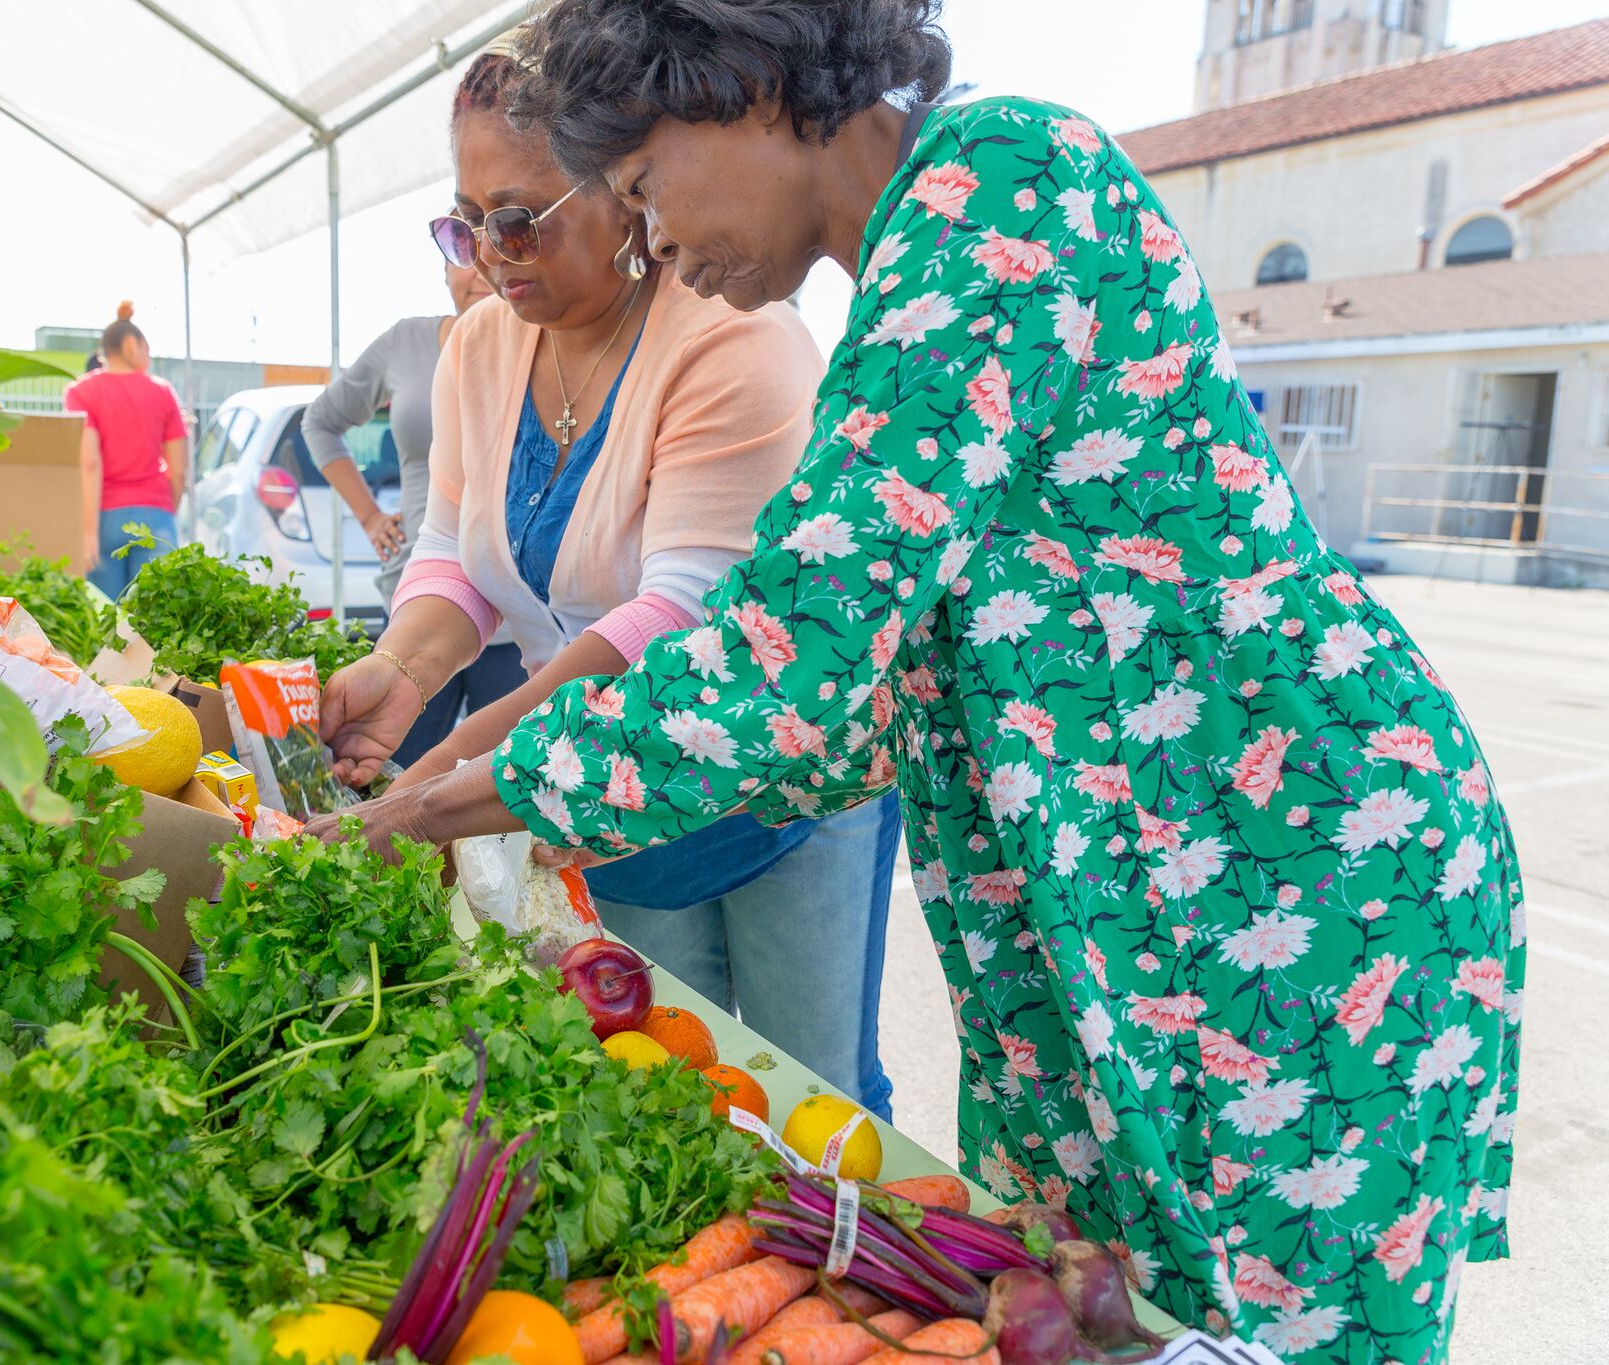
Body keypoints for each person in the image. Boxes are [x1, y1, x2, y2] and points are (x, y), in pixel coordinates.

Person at [305, 4, 1526, 1362]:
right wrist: (512, 800)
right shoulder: (908, 275)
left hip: (1288, 884)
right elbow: (858, 707)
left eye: (644, 189)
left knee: (1268, 1332)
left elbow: (793, 653)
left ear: (749, 89)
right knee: (1109, 1320)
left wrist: (437, 806)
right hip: (1124, 891)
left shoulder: (1000, 182)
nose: (660, 248)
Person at [317, 45, 902, 1118]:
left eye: (519, 216)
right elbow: (455, 554)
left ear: (626, 192)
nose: (493, 256)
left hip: (771, 782)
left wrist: (452, 761)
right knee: (671, 1075)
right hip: (593, 779)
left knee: (810, 1094)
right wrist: (400, 668)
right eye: (464, 223)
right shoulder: (478, 350)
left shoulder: (738, 333)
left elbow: (678, 617)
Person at [302, 262, 529, 767]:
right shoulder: (406, 343)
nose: (480, 263)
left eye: (504, 228)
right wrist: (369, 516)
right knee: (392, 776)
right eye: (462, 244)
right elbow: (320, 422)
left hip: (520, 612)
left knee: (507, 787)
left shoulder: (554, 342)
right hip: (422, 601)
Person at [63, 301, 186, 598]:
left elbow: (89, 463)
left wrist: (88, 531)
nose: (150, 355)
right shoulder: (162, 391)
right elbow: (179, 470)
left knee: (109, 626)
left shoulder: (80, 392)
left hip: (104, 517)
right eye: (147, 347)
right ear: (132, 345)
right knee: (155, 623)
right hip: (156, 515)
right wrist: (166, 510)